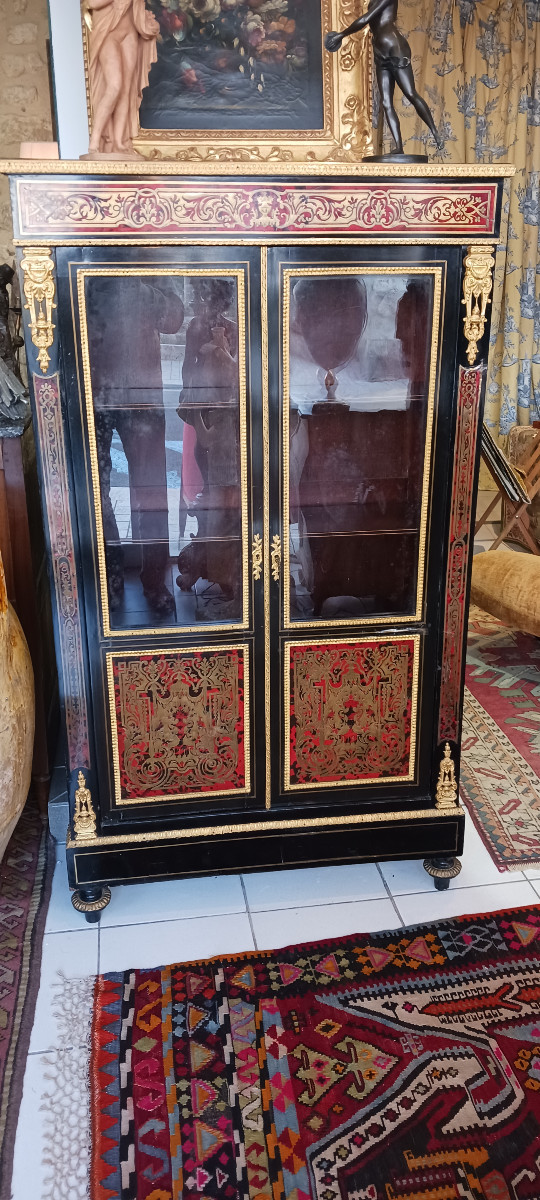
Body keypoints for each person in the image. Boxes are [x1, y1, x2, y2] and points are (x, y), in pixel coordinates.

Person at [87, 276, 185, 617]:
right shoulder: (90, 254)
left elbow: (174, 318)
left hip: (142, 396)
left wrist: (142, 291)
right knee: (94, 490)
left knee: (152, 490)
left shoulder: (146, 256)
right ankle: (109, 577)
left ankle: (155, 580)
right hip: (93, 391)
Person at [325, 0, 442, 155]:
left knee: (411, 94)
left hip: (395, 47)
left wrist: (341, 34)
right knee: (386, 102)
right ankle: (399, 147)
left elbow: (366, 18)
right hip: (381, 52)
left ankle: (435, 133)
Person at [84, 0, 159, 156]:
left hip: (130, 32)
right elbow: (92, 3)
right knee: (114, 85)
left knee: (126, 89)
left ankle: (119, 141)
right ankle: (95, 141)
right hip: (108, 31)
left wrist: (147, 19)